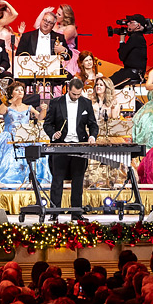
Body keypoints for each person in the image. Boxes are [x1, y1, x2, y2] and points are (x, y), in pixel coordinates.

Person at [43, 77, 98, 208]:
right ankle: (54, 212)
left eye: (79, 94)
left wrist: (92, 137)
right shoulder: (56, 102)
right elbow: (47, 124)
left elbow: (93, 125)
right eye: (74, 94)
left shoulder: (86, 103)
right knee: (57, 180)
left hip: (79, 146)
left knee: (78, 180)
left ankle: (76, 212)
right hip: (61, 146)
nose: (76, 97)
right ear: (68, 89)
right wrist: (53, 134)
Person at [110, 17, 152, 87]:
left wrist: (122, 40)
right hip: (134, 73)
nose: (128, 24)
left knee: (106, 83)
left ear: (138, 26)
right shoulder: (139, 37)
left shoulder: (135, 37)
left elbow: (121, 56)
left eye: (131, 22)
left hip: (131, 73)